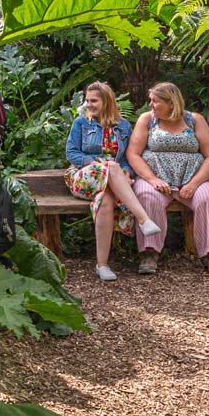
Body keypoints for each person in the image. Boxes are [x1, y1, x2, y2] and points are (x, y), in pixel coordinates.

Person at [123, 81, 209, 276]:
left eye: (155, 101)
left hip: (192, 180)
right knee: (147, 197)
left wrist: (194, 183)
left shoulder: (194, 120)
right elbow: (133, 154)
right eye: (150, 101)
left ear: (171, 102)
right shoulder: (147, 120)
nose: (150, 105)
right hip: (155, 181)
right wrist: (152, 179)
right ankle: (149, 252)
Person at [62, 82, 140, 281]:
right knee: (111, 167)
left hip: (111, 182)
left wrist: (127, 172)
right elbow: (71, 153)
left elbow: (126, 158)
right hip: (83, 176)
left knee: (105, 201)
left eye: (93, 100)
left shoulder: (123, 126)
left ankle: (102, 265)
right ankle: (143, 218)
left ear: (107, 101)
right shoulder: (81, 123)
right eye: (87, 100)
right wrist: (97, 163)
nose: (89, 104)